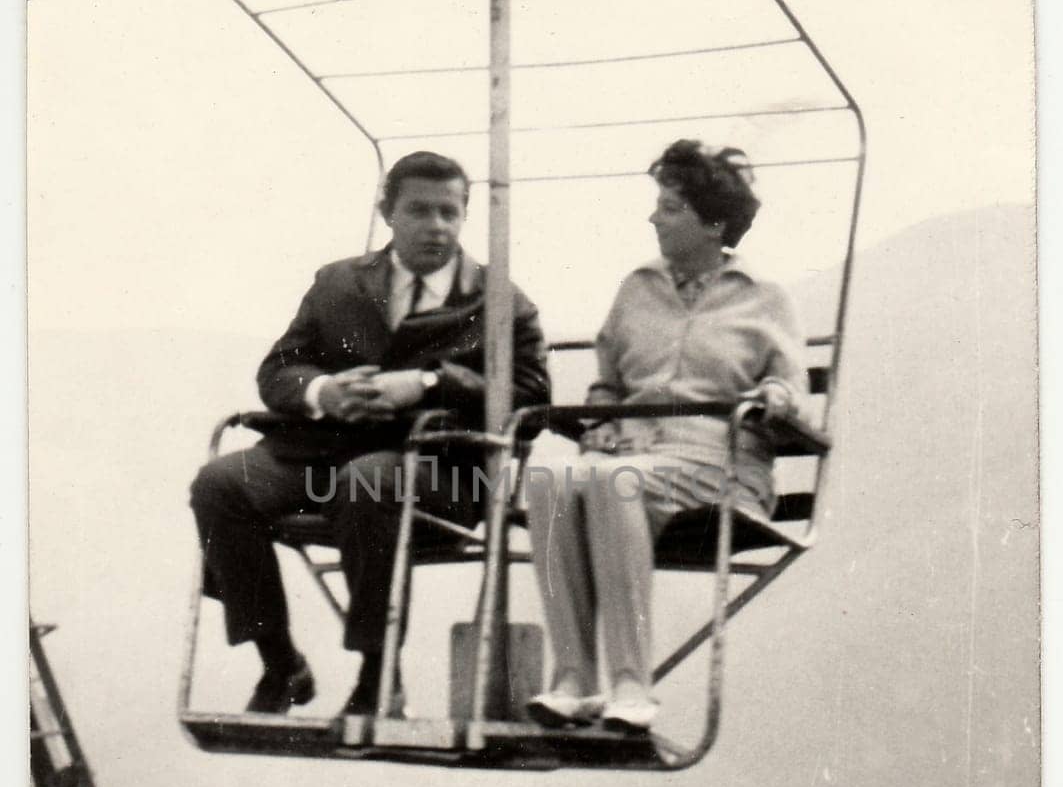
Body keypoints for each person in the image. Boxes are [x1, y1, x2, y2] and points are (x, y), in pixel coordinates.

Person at [190, 150, 550, 716]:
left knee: (368, 483)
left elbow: (530, 396)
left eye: (449, 213)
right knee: (221, 484)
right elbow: (279, 369)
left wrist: (431, 384)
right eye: (420, 211)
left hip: (440, 472)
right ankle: (280, 663)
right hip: (323, 458)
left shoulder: (499, 301)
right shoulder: (338, 283)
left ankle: (379, 676)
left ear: (464, 216)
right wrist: (324, 392)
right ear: (388, 213)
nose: (436, 226)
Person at [525, 139, 805, 735]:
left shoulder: (764, 298)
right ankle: (573, 677)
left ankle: (631, 685)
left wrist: (771, 401)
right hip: (635, 457)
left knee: (611, 481)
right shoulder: (636, 290)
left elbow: (788, 390)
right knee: (549, 477)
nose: (655, 218)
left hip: (718, 464)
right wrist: (601, 425)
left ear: (714, 223)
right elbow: (608, 385)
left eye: (671, 208)